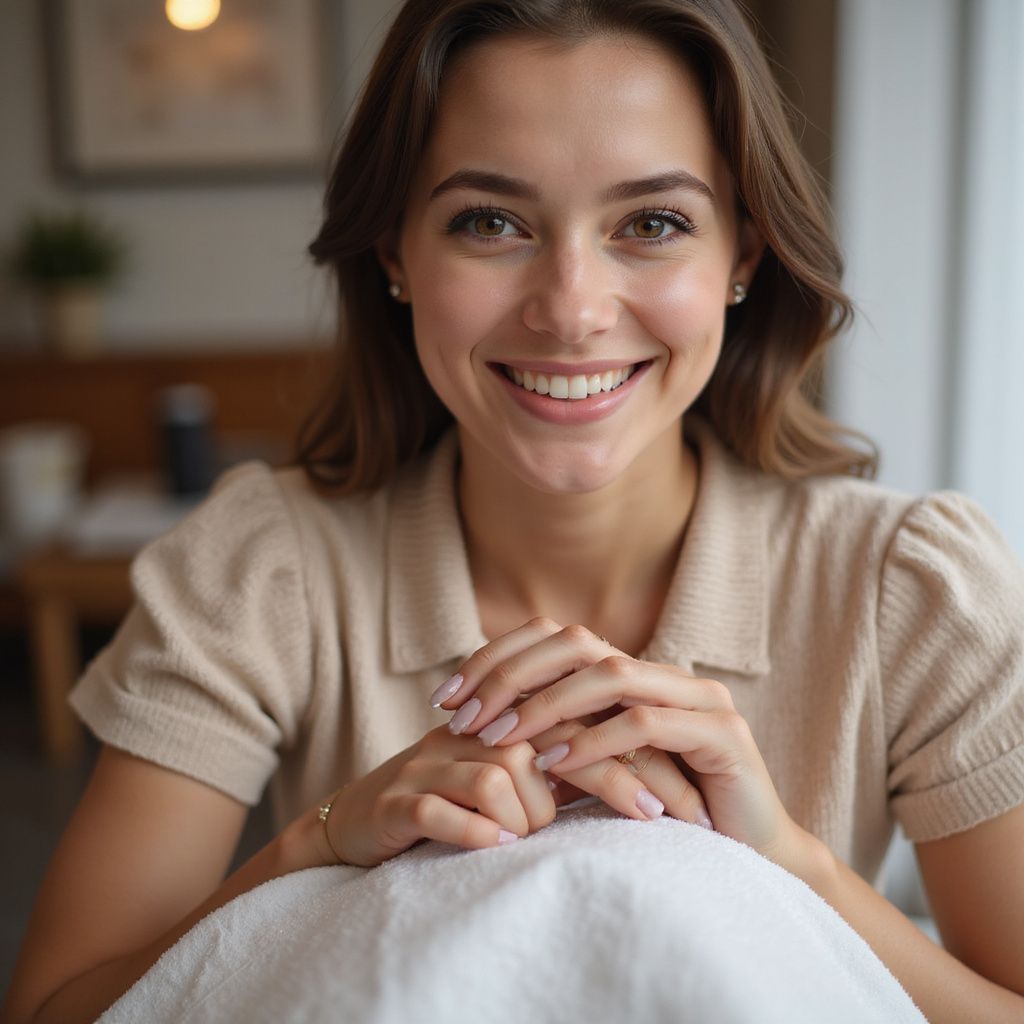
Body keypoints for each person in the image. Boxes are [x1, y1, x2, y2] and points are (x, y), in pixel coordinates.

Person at [4, 1, 1024, 1021]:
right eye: (490, 221)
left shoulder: (914, 584)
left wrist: (793, 863)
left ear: (744, 254)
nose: (572, 308)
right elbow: (60, 1008)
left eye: (652, 223)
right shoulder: (259, 567)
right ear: (395, 252)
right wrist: (313, 844)